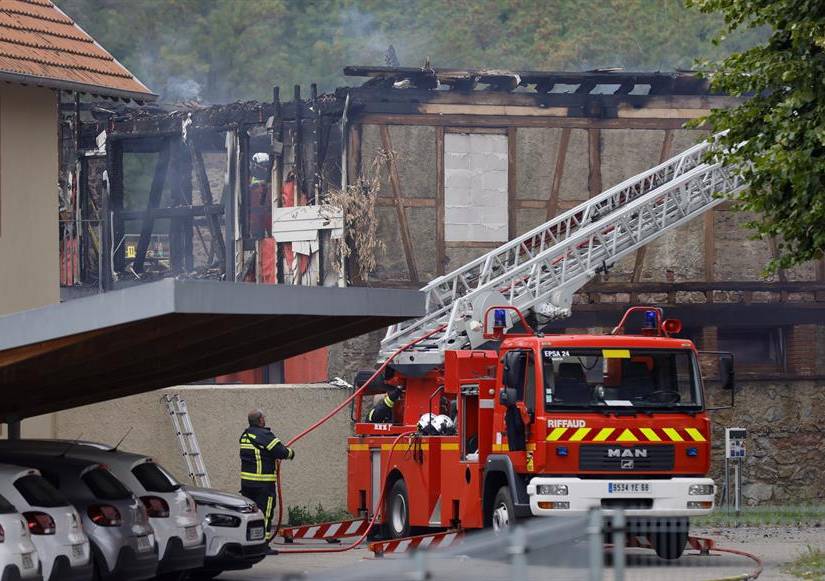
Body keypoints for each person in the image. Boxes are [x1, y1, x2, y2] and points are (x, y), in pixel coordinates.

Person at [239, 409, 295, 545]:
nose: (265, 419)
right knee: (265, 514)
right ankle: (262, 544)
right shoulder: (264, 434)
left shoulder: (245, 435)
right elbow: (281, 452)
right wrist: (291, 453)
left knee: (251, 514)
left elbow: (261, 453)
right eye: (264, 417)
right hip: (263, 485)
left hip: (247, 485)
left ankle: (250, 541)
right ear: (260, 420)